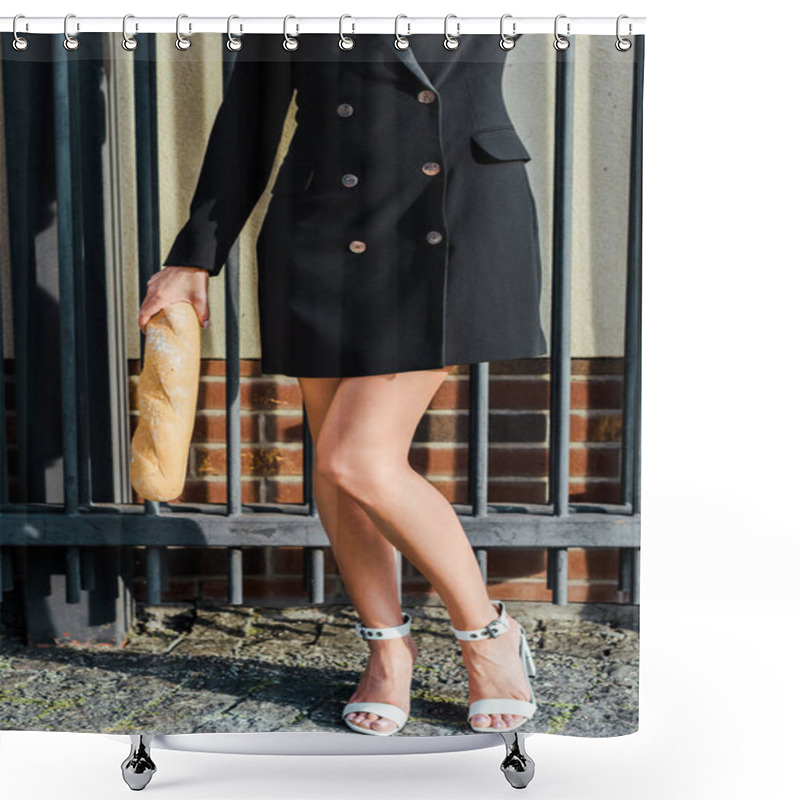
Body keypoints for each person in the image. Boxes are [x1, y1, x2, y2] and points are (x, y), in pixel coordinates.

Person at [138, 32, 544, 736]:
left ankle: (487, 634)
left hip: (447, 208)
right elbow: (251, 112)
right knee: (336, 461)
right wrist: (195, 255)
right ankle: (387, 649)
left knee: (354, 457)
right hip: (323, 216)